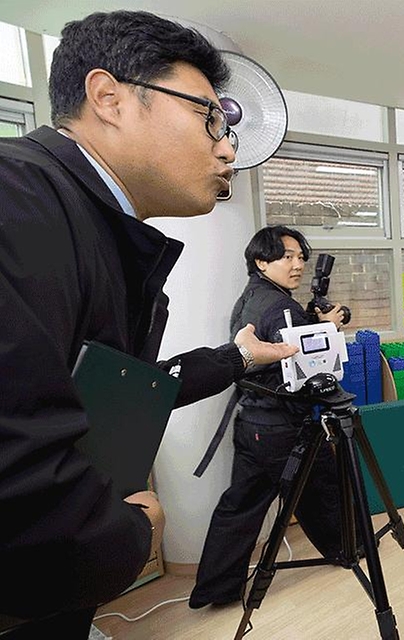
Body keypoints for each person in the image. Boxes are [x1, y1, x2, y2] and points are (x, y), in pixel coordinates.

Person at [0, 11, 295, 638]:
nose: (228, 146)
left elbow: (112, 391)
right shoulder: (16, 201)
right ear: (109, 98)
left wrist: (238, 358)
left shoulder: (99, 228)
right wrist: (125, 534)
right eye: (208, 117)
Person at [190, 226, 347, 609]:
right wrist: (331, 328)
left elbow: (272, 345)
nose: (298, 265)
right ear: (262, 260)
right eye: (287, 257)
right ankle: (349, 549)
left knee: (239, 506)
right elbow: (303, 367)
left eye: (300, 257)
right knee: (323, 488)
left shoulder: (252, 296)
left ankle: (215, 590)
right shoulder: (281, 307)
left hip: (251, 423)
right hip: (281, 426)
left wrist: (311, 321)